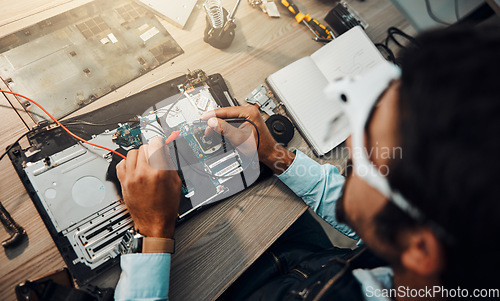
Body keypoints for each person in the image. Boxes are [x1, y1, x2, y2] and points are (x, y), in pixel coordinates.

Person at [114, 25, 500, 300]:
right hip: (309, 265)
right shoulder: (453, 257)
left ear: (422, 249)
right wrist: (274, 155)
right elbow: (383, 216)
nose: (349, 142)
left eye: (367, 157)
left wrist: (153, 234)